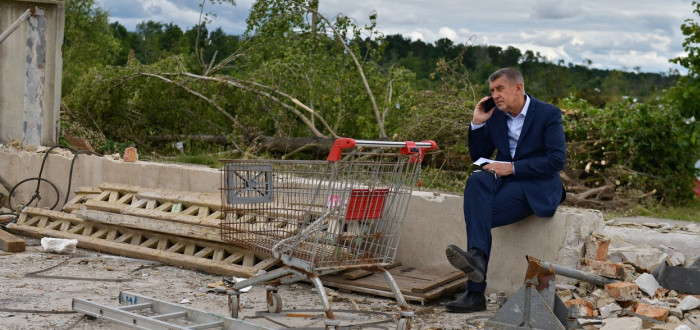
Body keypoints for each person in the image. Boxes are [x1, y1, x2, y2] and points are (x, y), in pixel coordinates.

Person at [445, 68, 567, 313]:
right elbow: (478, 156)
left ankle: (474, 292)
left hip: (534, 186)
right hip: (502, 182)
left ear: (518, 88)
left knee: (477, 216)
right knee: (477, 181)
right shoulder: (496, 116)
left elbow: (556, 160)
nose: (495, 95)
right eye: (492, 91)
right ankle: (476, 259)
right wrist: (478, 123)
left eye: (499, 89)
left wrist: (512, 168)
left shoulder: (547, 114)